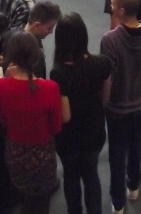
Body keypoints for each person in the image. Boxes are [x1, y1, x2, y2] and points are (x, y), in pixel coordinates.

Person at [0, 31, 65, 214]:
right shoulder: (50, 88)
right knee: (42, 202)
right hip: (43, 157)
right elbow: (56, 127)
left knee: (24, 194)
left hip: (15, 154)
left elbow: (1, 119)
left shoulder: (0, 86)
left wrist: (7, 78)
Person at [101, 0, 141, 214]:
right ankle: (133, 185)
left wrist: (104, 102)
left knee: (116, 153)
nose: (110, 4)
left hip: (117, 107)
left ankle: (118, 201)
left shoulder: (110, 39)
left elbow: (108, 77)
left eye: (112, 2)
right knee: (135, 145)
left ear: (121, 10)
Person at [51, 13, 112, 214]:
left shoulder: (58, 72)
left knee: (71, 177)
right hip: (94, 132)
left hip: (69, 139)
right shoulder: (102, 63)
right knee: (91, 175)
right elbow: (106, 98)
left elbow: (65, 116)